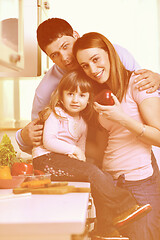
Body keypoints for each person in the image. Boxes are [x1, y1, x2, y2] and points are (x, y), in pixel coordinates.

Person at [15, 18, 160, 159]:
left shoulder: (113, 54)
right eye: (55, 55)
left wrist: (157, 79)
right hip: (89, 155)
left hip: (137, 151)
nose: (65, 58)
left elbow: (145, 91)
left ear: (76, 36)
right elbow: (39, 140)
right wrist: (22, 137)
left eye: (66, 46)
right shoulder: (46, 89)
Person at [32, 69, 151, 239]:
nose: (75, 99)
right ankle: (126, 206)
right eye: (70, 94)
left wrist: (82, 158)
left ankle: (105, 228)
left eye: (82, 95)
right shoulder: (56, 114)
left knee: (103, 177)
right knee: (92, 172)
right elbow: (48, 141)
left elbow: (81, 150)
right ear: (61, 96)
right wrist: (73, 151)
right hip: (46, 160)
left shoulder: (82, 124)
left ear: (88, 100)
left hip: (62, 162)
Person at [72, 32, 160, 240]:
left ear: (109, 53)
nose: (92, 70)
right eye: (85, 65)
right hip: (111, 187)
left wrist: (122, 118)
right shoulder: (99, 93)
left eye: (96, 59)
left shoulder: (138, 83)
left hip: (139, 184)